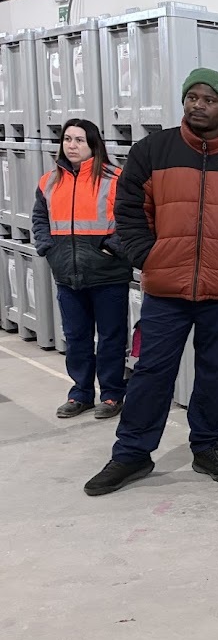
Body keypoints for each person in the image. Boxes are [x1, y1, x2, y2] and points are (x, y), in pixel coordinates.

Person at [83, 69, 218, 496]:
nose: (198, 105)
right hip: (166, 290)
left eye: (208, 99)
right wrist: (148, 256)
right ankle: (132, 454)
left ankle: (208, 447)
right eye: (192, 97)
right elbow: (129, 210)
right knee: (151, 372)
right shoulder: (153, 150)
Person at [32, 118, 133, 420]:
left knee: (111, 337)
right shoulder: (49, 181)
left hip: (108, 273)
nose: (72, 145)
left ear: (93, 144)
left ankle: (112, 394)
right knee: (76, 337)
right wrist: (48, 248)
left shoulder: (115, 178)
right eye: (67, 139)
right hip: (67, 273)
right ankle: (80, 394)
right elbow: (40, 218)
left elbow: (132, 219)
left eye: (79, 140)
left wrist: (111, 249)